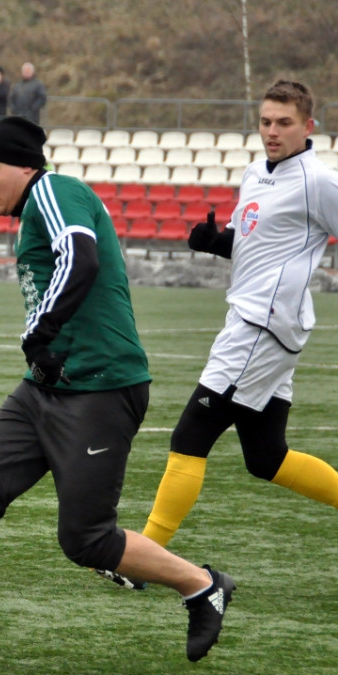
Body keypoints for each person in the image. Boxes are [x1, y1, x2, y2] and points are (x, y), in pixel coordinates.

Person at [0, 117, 235, 667]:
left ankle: (203, 585)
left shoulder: (54, 191)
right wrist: (42, 344)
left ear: (24, 165)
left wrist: (41, 332)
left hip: (101, 387)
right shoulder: (34, 208)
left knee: (86, 539)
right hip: (46, 387)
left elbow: (79, 258)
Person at [122, 80, 338, 563]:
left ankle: (145, 557)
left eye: (284, 122)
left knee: (190, 435)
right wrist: (214, 241)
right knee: (267, 458)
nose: (272, 131)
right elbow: (247, 242)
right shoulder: (254, 173)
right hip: (255, 319)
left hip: (263, 324)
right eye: (265, 122)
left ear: (309, 126)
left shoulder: (319, 182)